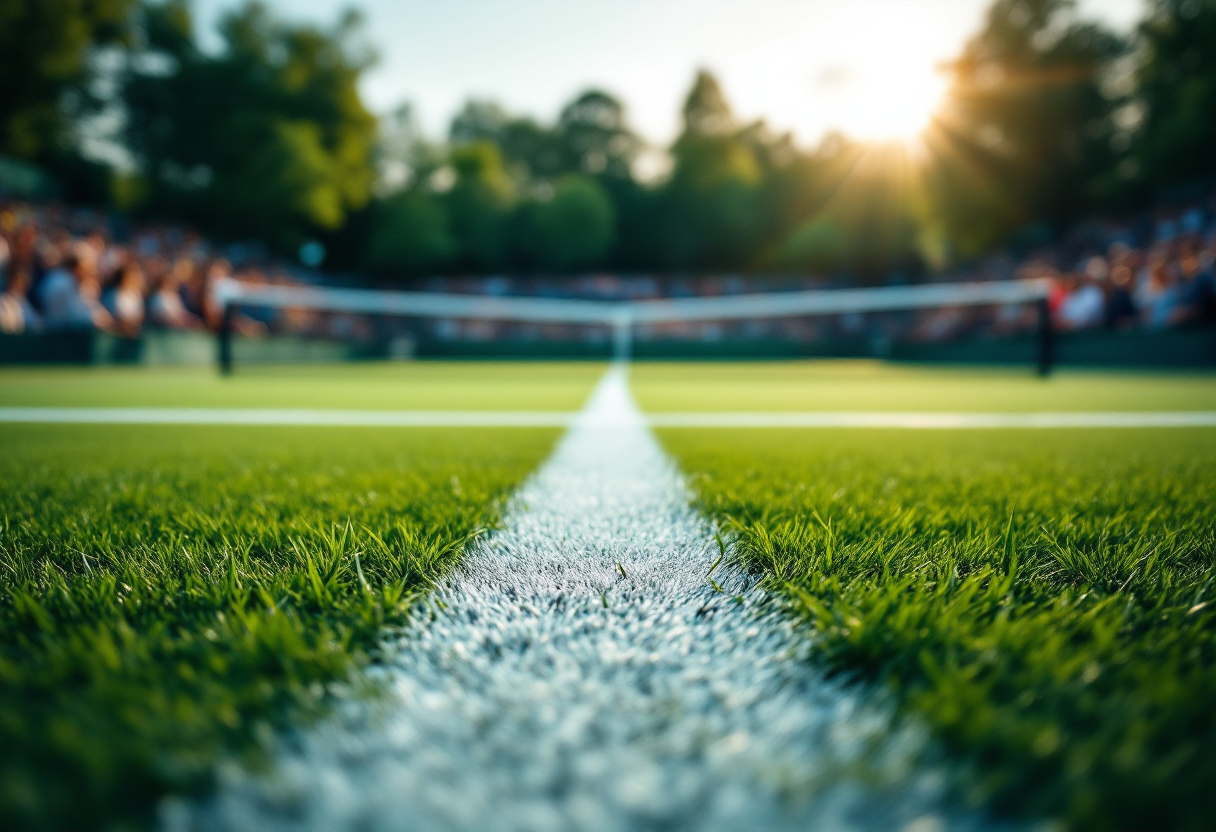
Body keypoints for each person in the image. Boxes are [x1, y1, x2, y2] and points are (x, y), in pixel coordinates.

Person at [148, 259, 203, 329]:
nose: (172, 283)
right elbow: (158, 316)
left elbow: (181, 312)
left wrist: (192, 319)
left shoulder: (174, 296)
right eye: (169, 281)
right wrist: (175, 321)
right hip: (163, 330)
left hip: (177, 329)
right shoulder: (156, 297)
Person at [105, 261, 146, 337]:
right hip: (116, 335)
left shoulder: (136, 295)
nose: (133, 280)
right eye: (130, 277)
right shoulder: (112, 294)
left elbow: (140, 315)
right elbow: (113, 316)